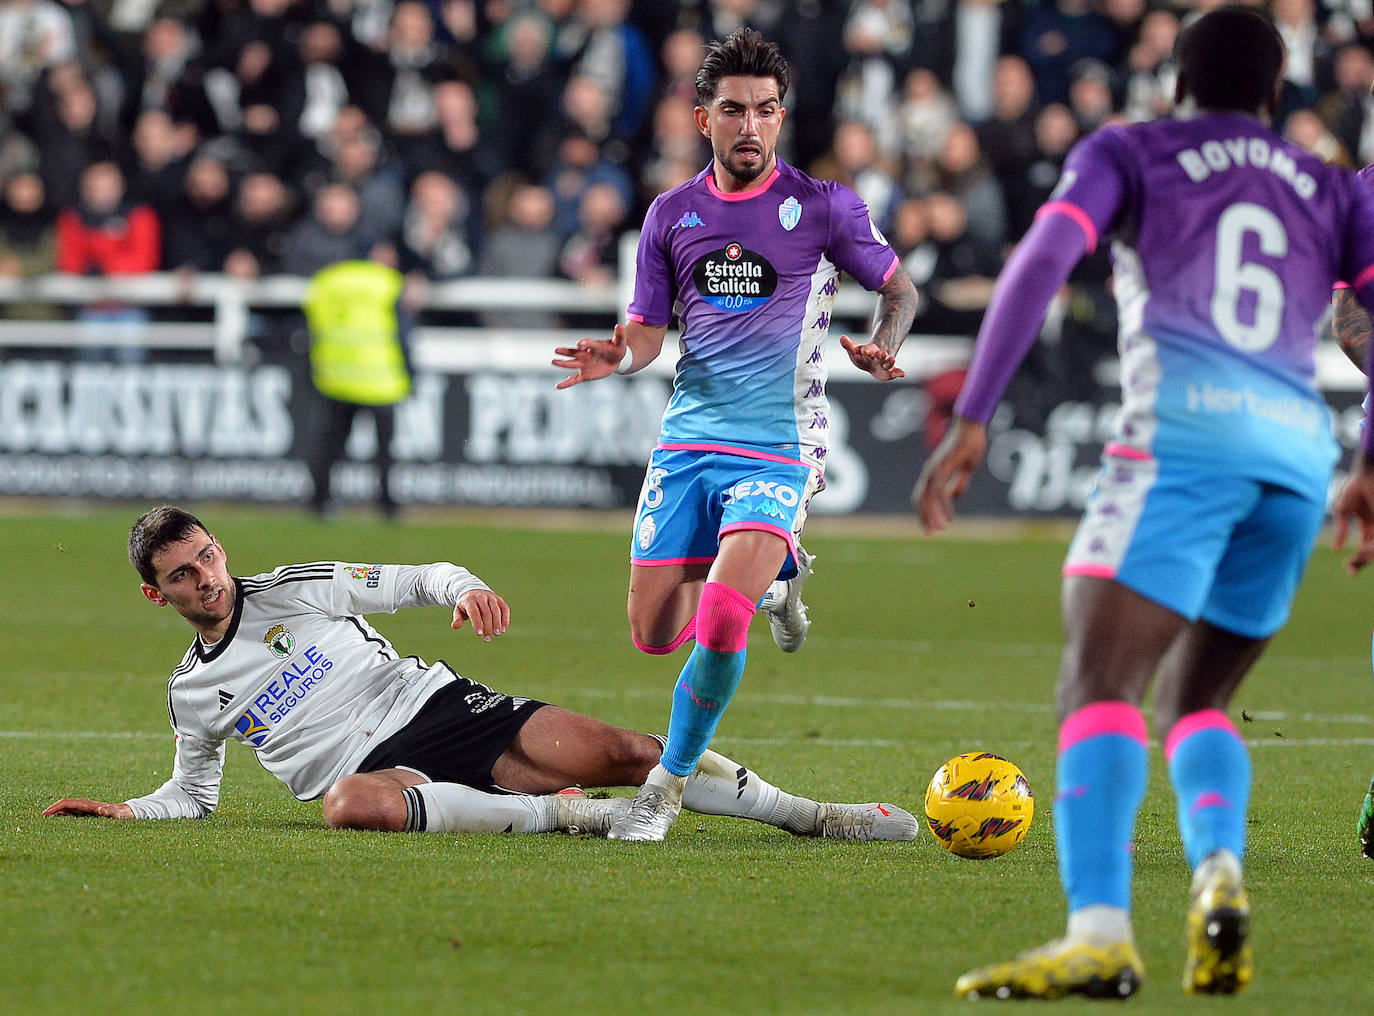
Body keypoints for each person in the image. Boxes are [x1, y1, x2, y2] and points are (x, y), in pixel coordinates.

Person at [912, 5, 1374, 1000]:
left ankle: (1100, 931)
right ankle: (1216, 872)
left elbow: (1042, 259)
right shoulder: (1335, 186)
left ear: (1174, 84)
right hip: (1297, 459)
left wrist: (977, 410)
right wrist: (1369, 461)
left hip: (1183, 442)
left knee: (1098, 683)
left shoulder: (1132, 150)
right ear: (1276, 95)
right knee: (1196, 698)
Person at [552, 28, 918, 842]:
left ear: (780, 117)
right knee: (653, 635)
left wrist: (886, 342)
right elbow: (647, 329)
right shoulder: (671, 215)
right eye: (733, 111)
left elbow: (900, 289)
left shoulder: (824, 206)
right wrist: (621, 352)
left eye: (764, 110)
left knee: (720, 617)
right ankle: (778, 575)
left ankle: (667, 787)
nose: (749, 126)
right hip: (688, 444)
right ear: (702, 117)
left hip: (779, 445)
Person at [42, 506, 915, 844]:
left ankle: (810, 815)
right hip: (382, 775)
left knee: (622, 748)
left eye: (206, 556)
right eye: (183, 576)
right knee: (351, 806)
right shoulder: (190, 692)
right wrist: (127, 809)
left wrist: (468, 588)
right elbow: (194, 795)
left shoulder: (296, 590)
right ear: (156, 597)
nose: (206, 577)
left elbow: (419, 578)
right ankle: (570, 821)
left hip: (434, 704)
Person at [302, 257, 412, 517]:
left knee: (332, 443)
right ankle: (388, 505)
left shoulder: (326, 280)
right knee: (385, 449)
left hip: (337, 376)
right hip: (381, 379)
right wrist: (410, 371)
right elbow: (403, 331)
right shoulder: (389, 282)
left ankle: (319, 500)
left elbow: (311, 324)